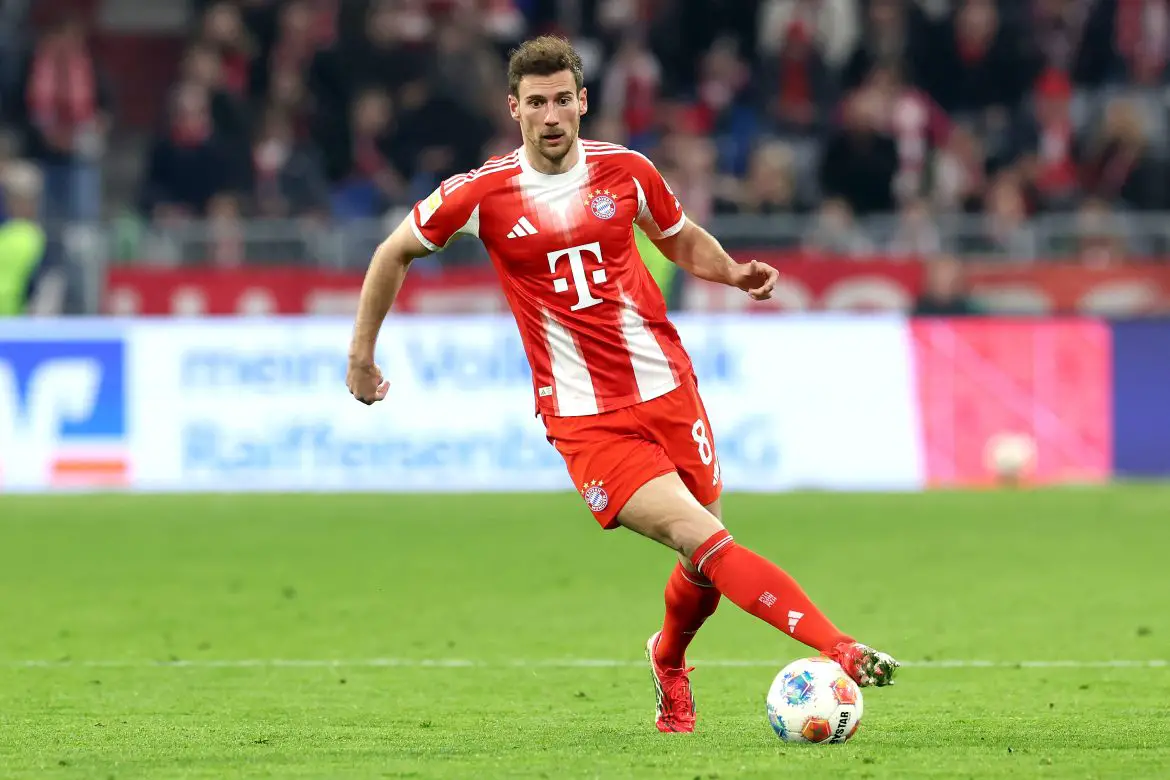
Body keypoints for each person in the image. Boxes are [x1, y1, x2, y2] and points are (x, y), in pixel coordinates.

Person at [345, 35, 898, 734]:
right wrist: (362, 356)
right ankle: (837, 645)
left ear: (582, 101)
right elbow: (392, 251)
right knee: (706, 541)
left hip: (670, 388)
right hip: (588, 422)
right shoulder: (483, 194)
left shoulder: (627, 170)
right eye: (536, 102)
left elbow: (678, 234)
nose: (551, 115)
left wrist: (730, 271)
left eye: (562, 99)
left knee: (707, 560)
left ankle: (668, 659)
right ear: (513, 109)